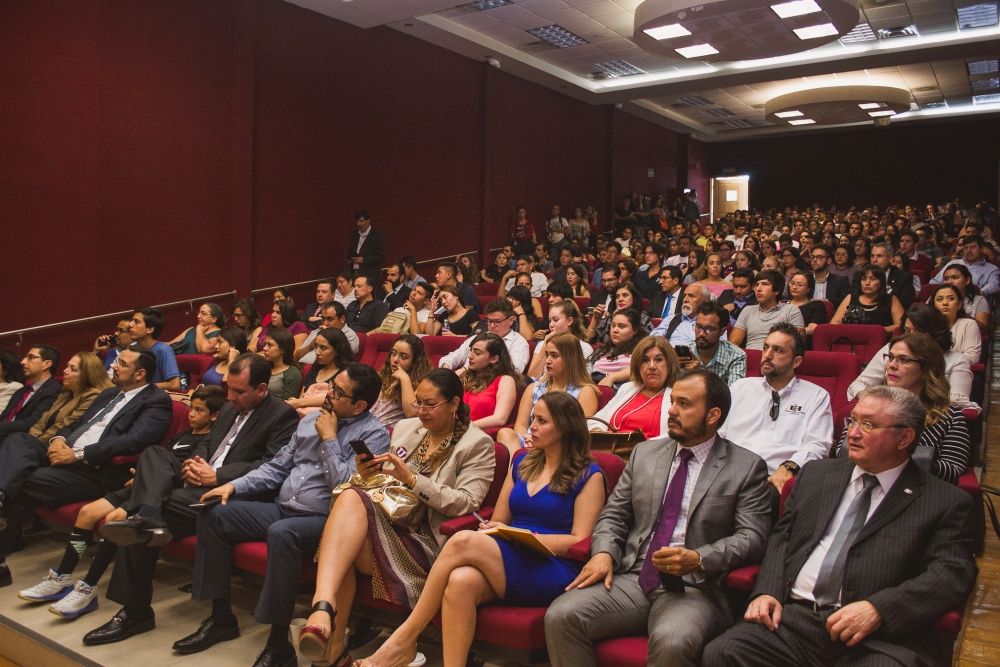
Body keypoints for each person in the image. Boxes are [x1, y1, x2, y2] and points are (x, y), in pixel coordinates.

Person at [703, 385, 978, 667]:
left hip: (876, 637)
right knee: (723, 653)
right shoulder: (816, 475)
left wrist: (879, 609)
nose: (853, 433)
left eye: (868, 425)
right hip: (792, 620)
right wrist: (768, 590)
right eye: (853, 420)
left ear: (904, 437)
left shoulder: (943, 501)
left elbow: (952, 573)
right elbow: (782, 537)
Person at [362, 393, 606, 667]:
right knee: (461, 582)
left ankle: (404, 638)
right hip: (513, 552)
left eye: (542, 421)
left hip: (553, 565)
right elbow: (499, 518)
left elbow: (580, 541)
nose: (532, 426)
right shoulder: (523, 462)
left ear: (564, 427)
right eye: (533, 418)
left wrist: (528, 538)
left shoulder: (590, 475)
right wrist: (497, 528)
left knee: (462, 541)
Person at [548, 369, 771, 667]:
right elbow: (614, 513)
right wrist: (603, 552)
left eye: (684, 404)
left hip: (694, 588)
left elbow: (752, 538)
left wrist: (699, 558)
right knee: (561, 616)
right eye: (673, 401)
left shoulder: (745, 467)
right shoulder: (645, 453)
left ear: (713, 415)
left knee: (672, 642)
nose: (671, 410)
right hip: (634, 575)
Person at [169, 365, 389, 665]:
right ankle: (221, 618)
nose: (328, 394)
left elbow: (345, 488)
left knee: (282, 533)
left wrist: (329, 439)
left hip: (326, 521)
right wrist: (233, 486)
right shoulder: (310, 420)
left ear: (359, 405)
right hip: (283, 507)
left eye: (338, 392)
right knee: (215, 513)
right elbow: (276, 467)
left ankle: (278, 644)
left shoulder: (373, 435)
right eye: (331, 386)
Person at [84, 355, 299, 645]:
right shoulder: (229, 408)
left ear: (261, 389)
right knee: (154, 454)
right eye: (228, 389)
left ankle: (136, 610)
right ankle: (148, 516)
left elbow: (271, 466)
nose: (230, 397)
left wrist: (217, 476)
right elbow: (207, 444)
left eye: (239, 392)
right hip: (198, 482)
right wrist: (193, 465)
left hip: (233, 494)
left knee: (137, 518)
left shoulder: (281, 415)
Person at [297, 370, 495, 666]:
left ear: (454, 403)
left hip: (427, 541)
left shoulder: (477, 444)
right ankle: (327, 628)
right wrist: (368, 474)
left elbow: (467, 502)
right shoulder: (406, 427)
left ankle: (325, 624)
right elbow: (383, 485)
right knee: (351, 500)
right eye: (418, 403)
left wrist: (413, 479)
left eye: (430, 404)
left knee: (344, 534)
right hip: (387, 520)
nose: (421, 411)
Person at [17, 386, 225, 618]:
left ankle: (88, 587)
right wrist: (141, 473)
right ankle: (61, 577)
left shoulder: (209, 441)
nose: (192, 414)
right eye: (192, 408)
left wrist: (148, 476)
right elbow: (155, 461)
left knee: (114, 518)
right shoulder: (180, 436)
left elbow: (184, 472)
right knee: (87, 513)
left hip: (163, 490)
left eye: (199, 410)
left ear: (214, 415)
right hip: (140, 483)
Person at [0, 346, 172, 588]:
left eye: (121, 364)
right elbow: (76, 423)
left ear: (140, 373)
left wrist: (78, 454)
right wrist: (58, 439)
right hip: (64, 454)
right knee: (18, 440)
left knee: (18, 481)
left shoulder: (156, 401)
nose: (113, 366)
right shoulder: (109, 394)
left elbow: (133, 440)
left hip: (95, 471)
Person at [720, 324, 833, 517]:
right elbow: (719, 432)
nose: (767, 355)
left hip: (771, 478)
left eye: (778, 350)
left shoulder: (816, 396)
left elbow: (818, 444)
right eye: (765, 347)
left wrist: (789, 466)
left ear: (796, 361)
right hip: (727, 471)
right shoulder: (741, 387)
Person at [836, 334, 970, 484]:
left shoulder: (949, 414)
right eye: (890, 357)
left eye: (904, 360)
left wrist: (895, 462)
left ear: (927, 368)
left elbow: (953, 470)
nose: (892, 365)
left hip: (919, 490)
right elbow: (842, 451)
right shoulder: (869, 404)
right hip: (860, 483)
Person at [849, 304, 977, 411]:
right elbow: (858, 385)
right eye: (907, 330)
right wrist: (876, 402)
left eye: (918, 332)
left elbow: (957, 402)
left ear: (935, 333)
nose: (911, 337)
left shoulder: (957, 360)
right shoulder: (892, 350)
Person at [499, 332, 599, 454]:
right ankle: (520, 464)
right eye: (547, 355)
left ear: (570, 358)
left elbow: (577, 432)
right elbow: (521, 425)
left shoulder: (585, 391)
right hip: (529, 440)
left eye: (554, 356)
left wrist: (541, 441)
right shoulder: (533, 387)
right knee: (505, 433)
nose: (547, 361)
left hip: (559, 446)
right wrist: (529, 439)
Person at [588, 336, 680, 438]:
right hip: (609, 445)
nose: (652, 366)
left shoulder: (678, 396)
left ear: (669, 364)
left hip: (651, 447)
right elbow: (595, 421)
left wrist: (638, 445)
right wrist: (598, 431)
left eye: (658, 360)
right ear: (637, 365)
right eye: (645, 360)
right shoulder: (627, 388)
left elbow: (677, 434)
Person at [439, 299, 530, 374]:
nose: (492, 325)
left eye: (497, 322)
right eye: (489, 321)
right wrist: (446, 369)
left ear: (511, 320)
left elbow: (514, 370)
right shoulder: (478, 338)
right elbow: (450, 358)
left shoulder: (518, 343)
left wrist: (467, 370)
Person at [0, 346, 62, 444]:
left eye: (30, 357)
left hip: (20, 441)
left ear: (47, 364)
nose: (23, 362)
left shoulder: (54, 390)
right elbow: (4, 417)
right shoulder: (22, 391)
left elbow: (32, 423)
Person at [730, 271, 805, 350]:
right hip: (751, 355)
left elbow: (797, 344)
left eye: (765, 284)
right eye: (757, 284)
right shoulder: (748, 310)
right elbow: (733, 342)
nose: (758, 289)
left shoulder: (791, 310)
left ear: (777, 290)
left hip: (778, 354)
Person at [461, 333, 523, 429]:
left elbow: (500, 419)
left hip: (480, 433)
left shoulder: (505, 380)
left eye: (477, 353)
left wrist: (465, 428)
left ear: (494, 359)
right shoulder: (464, 376)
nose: (470, 356)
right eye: (471, 350)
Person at [678, 302, 746, 386]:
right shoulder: (686, 352)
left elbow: (734, 392)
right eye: (698, 327)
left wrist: (698, 374)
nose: (701, 334)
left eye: (709, 329)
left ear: (722, 331)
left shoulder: (736, 356)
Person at [289, 328, 356, 414]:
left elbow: (337, 399)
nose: (317, 352)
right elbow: (303, 395)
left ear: (337, 350)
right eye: (316, 346)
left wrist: (300, 403)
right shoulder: (315, 369)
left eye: (323, 348)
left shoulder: (347, 373)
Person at [371, 335, 432, 430]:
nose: (395, 360)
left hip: (389, 433)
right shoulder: (382, 376)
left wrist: (404, 379)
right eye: (393, 353)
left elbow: (412, 414)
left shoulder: (421, 384)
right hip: (366, 427)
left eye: (403, 357)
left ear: (415, 361)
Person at [526, 301, 594, 378]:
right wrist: (545, 346)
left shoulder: (584, 348)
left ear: (569, 321)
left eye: (556, 320)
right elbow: (532, 377)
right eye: (550, 321)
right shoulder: (542, 344)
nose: (551, 325)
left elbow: (583, 379)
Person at [830, 265, 903, 334]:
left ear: (881, 282)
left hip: (880, 339)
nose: (867, 283)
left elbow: (901, 325)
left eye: (872, 279)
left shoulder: (891, 300)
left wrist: (877, 331)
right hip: (851, 337)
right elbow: (834, 323)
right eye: (864, 279)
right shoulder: (850, 298)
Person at [127, 307, 181, 392]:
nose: (130, 324)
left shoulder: (163, 350)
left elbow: (175, 385)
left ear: (150, 329)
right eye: (132, 320)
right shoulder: (133, 348)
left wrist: (141, 387)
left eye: (136, 322)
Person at [587, 309, 645, 385]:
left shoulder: (641, 351)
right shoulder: (600, 352)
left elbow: (643, 369)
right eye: (613, 325)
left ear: (635, 330)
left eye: (621, 326)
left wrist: (611, 378)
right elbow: (585, 375)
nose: (615, 330)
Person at [931, 234, 1000, 295]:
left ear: (981, 248)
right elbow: (935, 282)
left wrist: (980, 292)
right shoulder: (953, 263)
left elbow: (994, 285)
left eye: (972, 247)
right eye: (966, 248)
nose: (968, 251)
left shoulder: (991, 269)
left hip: (974, 299)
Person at [930, 283, 981, 365]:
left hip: (958, 370)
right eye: (940, 299)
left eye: (951, 299)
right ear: (933, 305)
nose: (945, 303)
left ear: (959, 304)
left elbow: (972, 357)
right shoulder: (926, 326)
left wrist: (943, 364)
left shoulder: (968, 324)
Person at [853, 243, 915, 309]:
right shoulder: (860, 275)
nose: (874, 260)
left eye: (879, 256)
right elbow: (854, 299)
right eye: (872, 256)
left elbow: (903, 304)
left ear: (890, 258)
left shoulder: (903, 277)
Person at [650, 283, 715, 347]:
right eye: (684, 296)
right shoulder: (671, 319)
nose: (685, 300)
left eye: (691, 296)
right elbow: (653, 340)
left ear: (705, 301)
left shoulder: (712, 323)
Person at [295, 302, 360, 363]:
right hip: (301, 367)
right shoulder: (316, 332)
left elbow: (342, 358)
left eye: (330, 319)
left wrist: (330, 335)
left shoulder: (350, 335)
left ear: (342, 319)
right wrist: (310, 346)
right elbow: (296, 357)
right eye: (323, 319)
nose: (325, 323)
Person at [939, 263, 990, 334]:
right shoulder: (936, 298)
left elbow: (983, 329)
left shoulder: (979, 300)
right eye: (946, 279)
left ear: (967, 280)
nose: (950, 282)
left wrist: (961, 314)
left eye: (955, 278)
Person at [260, 329, 303, 401]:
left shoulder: (292, 373)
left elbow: (287, 403)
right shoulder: (264, 367)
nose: (264, 348)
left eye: (270, 345)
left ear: (283, 349)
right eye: (265, 344)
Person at [347, 209, 387, 286]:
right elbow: (351, 251)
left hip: (370, 275)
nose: (359, 224)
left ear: (368, 220)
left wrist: (364, 260)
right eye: (357, 221)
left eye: (361, 221)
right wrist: (350, 259)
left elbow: (381, 256)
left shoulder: (377, 235)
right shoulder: (355, 235)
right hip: (355, 273)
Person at [786, 271, 826, 336]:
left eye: (800, 285)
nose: (794, 287)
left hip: (802, 338)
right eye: (792, 283)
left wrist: (788, 334)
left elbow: (812, 328)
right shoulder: (782, 304)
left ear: (809, 288)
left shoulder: (816, 305)